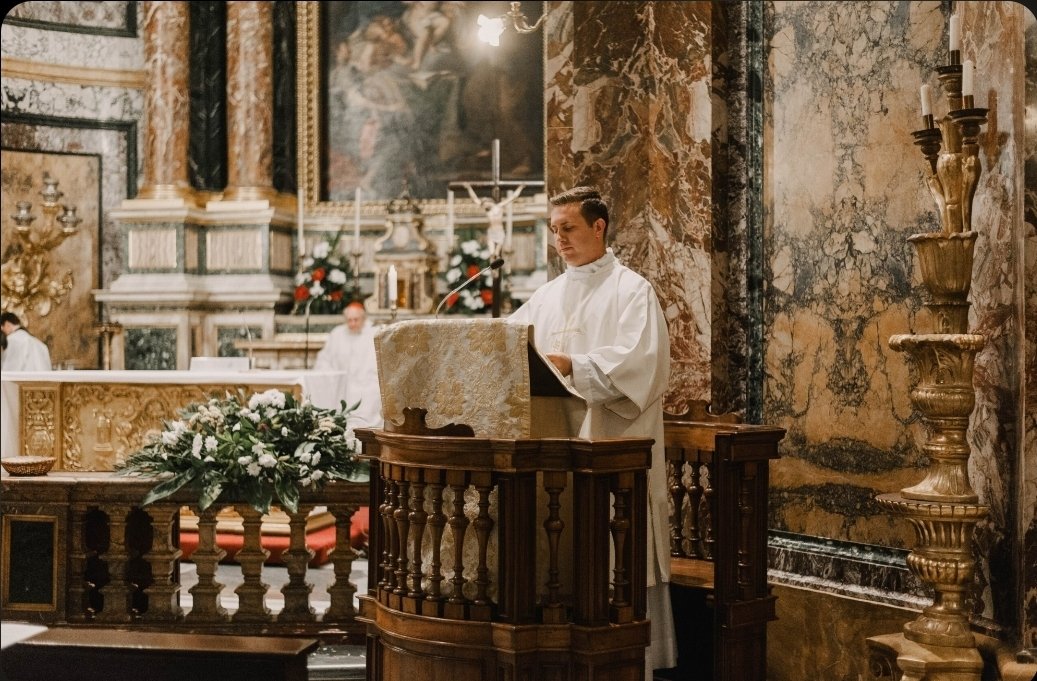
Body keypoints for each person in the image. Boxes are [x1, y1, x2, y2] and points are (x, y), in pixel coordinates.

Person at [507, 186, 676, 673]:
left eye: (569, 228)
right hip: (554, 463)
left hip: (611, 457)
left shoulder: (632, 290)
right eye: (554, 229)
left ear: (598, 227)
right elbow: (506, 346)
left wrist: (569, 364)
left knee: (611, 566)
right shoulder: (546, 295)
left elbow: (639, 367)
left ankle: (621, 667)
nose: (559, 238)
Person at [313, 301, 383, 428]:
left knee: (371, 393)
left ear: (363, 318)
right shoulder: (337, 333)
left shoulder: (374, 333)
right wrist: (328, 373)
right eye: (349, 320)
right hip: (342, 382)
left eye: (356, 320)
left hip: (367, 382)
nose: (352, 324)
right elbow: (324, 359)